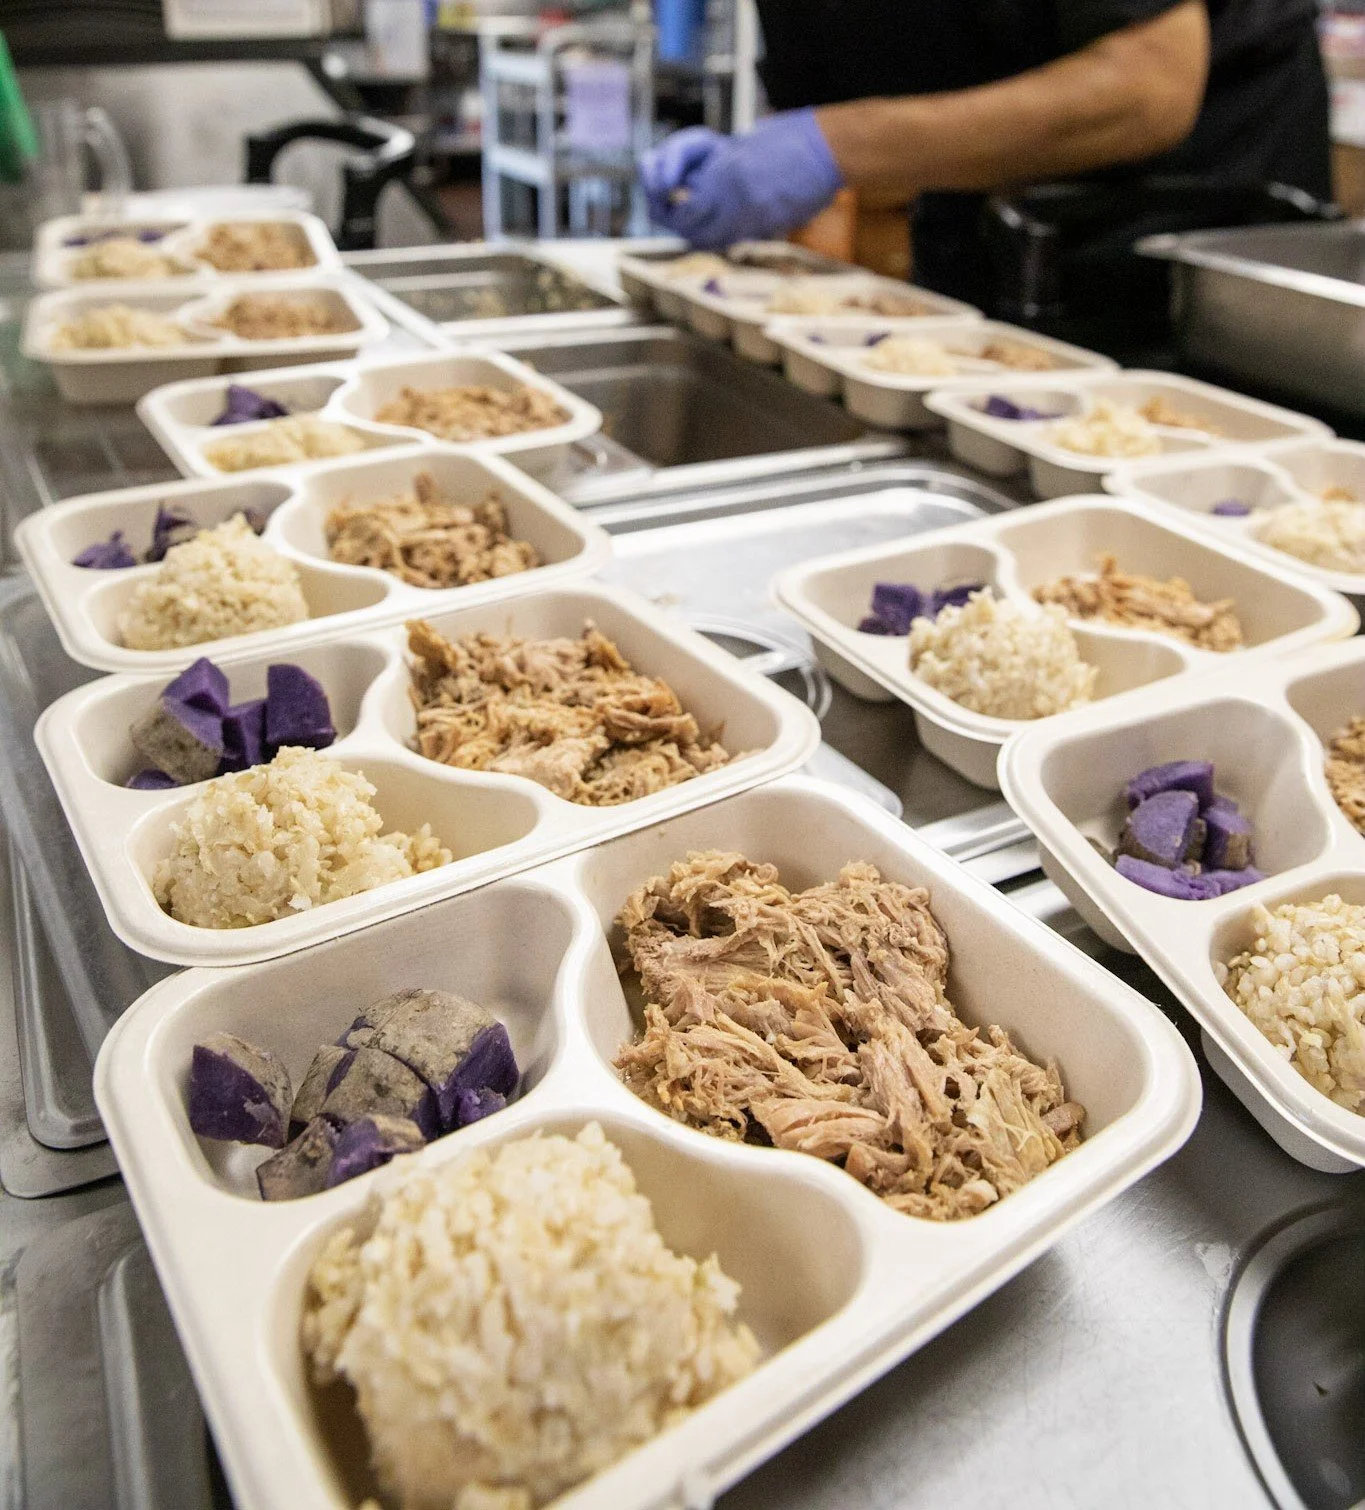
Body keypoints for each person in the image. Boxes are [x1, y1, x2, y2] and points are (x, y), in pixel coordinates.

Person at [640, 0, 1331, 303]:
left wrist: (831, 146)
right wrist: (747, 171)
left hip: (1189, 233)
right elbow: (843, 129)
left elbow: (1146, 88)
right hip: (975, 225)